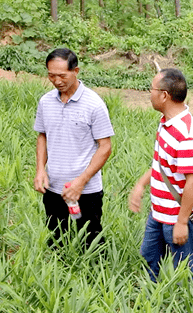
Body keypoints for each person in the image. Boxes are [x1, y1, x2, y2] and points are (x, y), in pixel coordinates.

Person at [128, 68, 193, 285]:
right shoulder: (166, 123)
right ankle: (150, 304)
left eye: (151, 89)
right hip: (158, 211)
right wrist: (140, 185)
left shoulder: (186, 133)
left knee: (186, 269)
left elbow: (192, 181)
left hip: (176, 216)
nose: (149, 94)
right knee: (149, 258)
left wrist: (181, 222)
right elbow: (160, 164)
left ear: (164, 95)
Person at [33, 48, 114, 248]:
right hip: (53, 186)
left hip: (86, 191)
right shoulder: (46, 102)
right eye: (51, 75)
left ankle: (95, 278)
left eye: (62, 75)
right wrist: (40, 170)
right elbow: (42, 136)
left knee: (91, 242)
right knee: (56, 240)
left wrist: (80, 182)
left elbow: (105, 147)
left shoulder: (94, 104)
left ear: (76, 71)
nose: (57, 81)